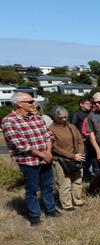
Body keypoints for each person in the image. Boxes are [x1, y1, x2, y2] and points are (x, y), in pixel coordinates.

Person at [1, 92, 59, 225]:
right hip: (29, 162)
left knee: (48, 186)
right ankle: (34, 216)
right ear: (19, 104)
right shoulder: (9, 121)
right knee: (32, 190)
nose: (34, 104)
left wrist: (48, 153)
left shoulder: (37, 118)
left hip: (46, 159)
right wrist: (42, 155)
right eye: (31, 101)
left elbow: (49, 135)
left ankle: (51, 210)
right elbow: (20, 145)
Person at [49, 106, 85, 211]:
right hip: (61, 160)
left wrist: (80, 154)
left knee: (77, 181)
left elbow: (80, 141)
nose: (64, 119)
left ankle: (77, 200)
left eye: (65, 117)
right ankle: (67, 204)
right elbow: (54, 147)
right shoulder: (51, 129)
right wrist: (72, 156)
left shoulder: (72, 126)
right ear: (54, 117)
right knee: (65, 183)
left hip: (77, 158)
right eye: (61, 118)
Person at [70, 98, 98, 181]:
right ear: (81, 104)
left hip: (92, 140)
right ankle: (86, 178)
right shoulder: (76, 114)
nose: (89, 105)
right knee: (85, 160)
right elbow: (72, 128)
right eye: (86, 103)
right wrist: (80, 138)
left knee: (95, 159)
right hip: (83, 141)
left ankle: (97, 177)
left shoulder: (91, 114)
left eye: (89, 103)